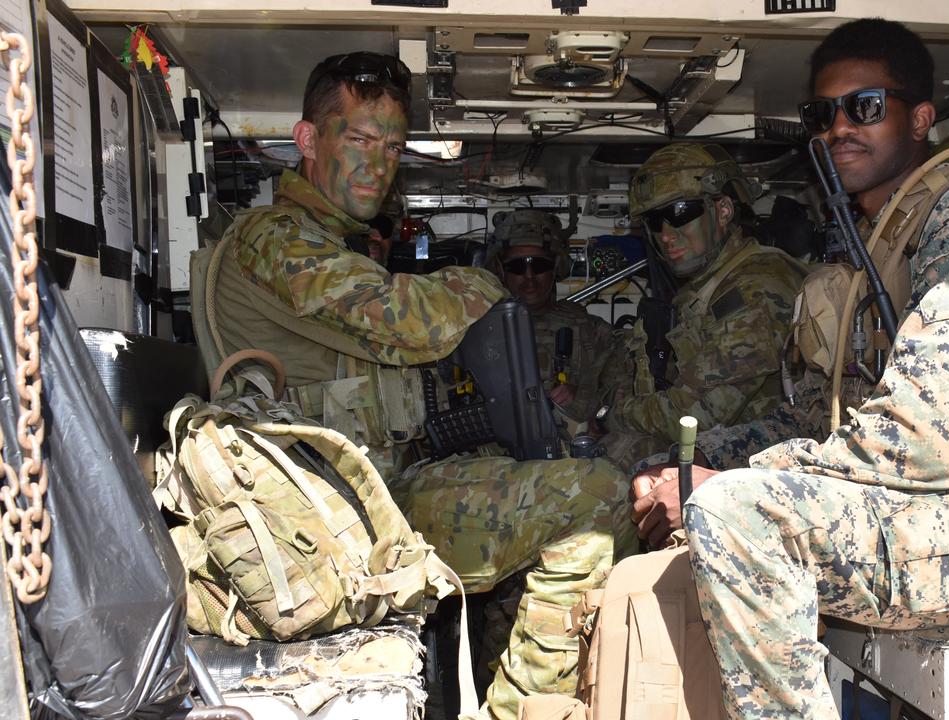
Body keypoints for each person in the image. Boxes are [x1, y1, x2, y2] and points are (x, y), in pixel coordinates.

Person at [680, 20, 949, 720]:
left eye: (865, 106)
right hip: (928, 518)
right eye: (823, 114)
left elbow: (933, 440)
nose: (839, 128)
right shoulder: (872, 246)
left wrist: (729, 481)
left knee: (737, 515)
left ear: (921, 117)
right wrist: (690, 462)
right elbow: (816, 419)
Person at [202, 51, 635, 720]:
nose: (379, 162)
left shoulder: (327, 241)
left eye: (394, 146)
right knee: (593, 498)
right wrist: (481, 280)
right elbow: (410, 320)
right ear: (309, 141)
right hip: (324, 518)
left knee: (570, 481)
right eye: (360, 140)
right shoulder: (273, 236)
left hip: (368, 495)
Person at [594, 143, 807, 469]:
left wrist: (614, 412)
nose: (666, 234)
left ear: (723, 210)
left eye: (680, 212)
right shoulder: (705, 287)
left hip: (766, 463)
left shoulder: (757, 287)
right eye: (654, 221)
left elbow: (691, 417)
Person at [491, 208, 615, 428]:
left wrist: (582, 398)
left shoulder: (592, 332)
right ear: (501, 271)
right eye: (517, 266)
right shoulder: (479, 331)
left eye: (539, 265)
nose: (529, 276)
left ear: (556, 267)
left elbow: (620, 394)